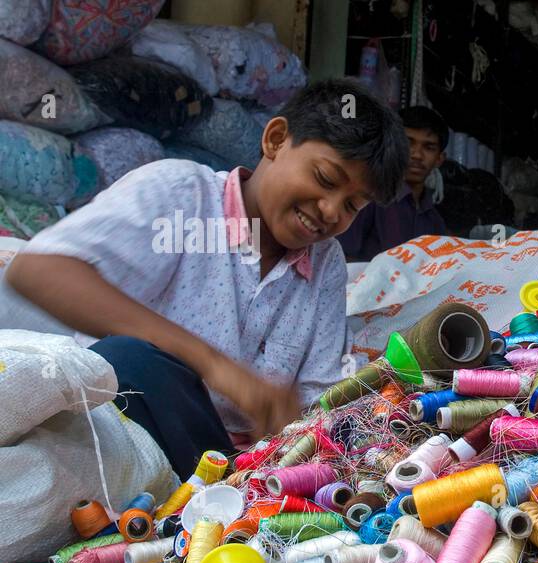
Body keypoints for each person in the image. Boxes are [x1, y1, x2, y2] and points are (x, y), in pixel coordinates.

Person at [4, 79, 408, 476]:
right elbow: (40, 269)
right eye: (324, 179)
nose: (331, 210)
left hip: (233, 465)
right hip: (129, 432)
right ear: (276, 139)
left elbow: (321, 394)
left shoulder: (326, 263)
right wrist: (216, 367)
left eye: (353, 205)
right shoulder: (182, 194)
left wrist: (299, 430)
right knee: (130, 360)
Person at [338, 106, 449, 262]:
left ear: (439, 159)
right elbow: (340, 259)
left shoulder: (435, 220)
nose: (417, 154)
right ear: (393, 146)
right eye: (408, 143)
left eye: (428, 147)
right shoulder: (367, 199)